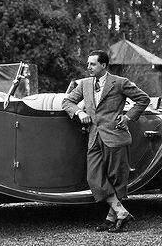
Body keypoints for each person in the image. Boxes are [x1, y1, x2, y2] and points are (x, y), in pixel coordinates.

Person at [62, 50, 150, 233]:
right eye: (88, 64)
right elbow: (67, 102)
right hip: (94, 136)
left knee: (117, 179)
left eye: (92, 64)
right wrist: (80, 112)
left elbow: (143, 99)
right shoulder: (84, 84)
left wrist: (127, 118)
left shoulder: (119, 82)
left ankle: (112, 219)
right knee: (93, 177)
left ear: (103, 65)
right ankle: (120, 211)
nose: (88, 67)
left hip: (116, 136)